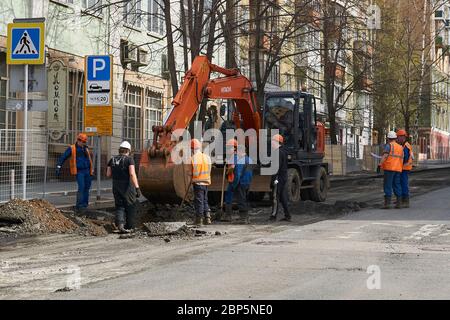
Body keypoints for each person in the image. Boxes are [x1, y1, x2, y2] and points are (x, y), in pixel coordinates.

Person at [107, 141, 141, 233]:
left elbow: (108, 174)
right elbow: (132, 174)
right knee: (130, 206)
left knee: (119, 206)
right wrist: (137, 188)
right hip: (127, 188)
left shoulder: (112, 159)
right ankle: (130, 227)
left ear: (120, 150)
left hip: (116, 186)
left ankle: (121, 226)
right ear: (128, 150)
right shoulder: (129, 160)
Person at [56, 133, 94, 213]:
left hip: (87, 171)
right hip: (79, 171)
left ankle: (84, 205)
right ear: (78, 140)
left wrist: (91, 170)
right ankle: (79, 206)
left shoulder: (85, 148)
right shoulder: (72, 148)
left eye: (84, 142)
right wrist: (59, 166)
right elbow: (63, 157)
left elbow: (89, 160)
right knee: (81, 187)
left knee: (87, 188)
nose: (83, 143)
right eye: (82, 141)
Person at [269, 134, 291, 222]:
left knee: (275, 196)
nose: (271, 143)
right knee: (282, 197)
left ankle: (273, 216)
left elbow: (276, 167)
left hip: (278, 178)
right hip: (283, 176)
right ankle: (287, 215)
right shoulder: (284, 151)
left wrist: (273, 180)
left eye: (272, 142)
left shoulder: (277, 153)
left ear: (277, 142)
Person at [190, 139, 212, 226]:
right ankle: (207, 217)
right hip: (206, 182)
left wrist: (191, 178)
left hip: (198, 183)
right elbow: (209, 170)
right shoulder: (207, 157)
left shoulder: (193, 159)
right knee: (205, 200)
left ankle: (199, 220)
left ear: (192, 149)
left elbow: (193, 173)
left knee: (199, 201)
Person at [379, 131, 404, 209]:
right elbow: (402, 158)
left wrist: (380, 164)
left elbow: (385, 156)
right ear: (395, 138)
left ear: (388, 138)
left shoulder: (389, 146)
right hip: (398, 169)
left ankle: (387, 204)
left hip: (389, 168)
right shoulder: (400, 147)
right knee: (397, 184)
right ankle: (399, 203)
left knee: (388, 185)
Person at [396, 129, 414, 208]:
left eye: (398, 137)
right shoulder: (405, 145)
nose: (397, 139)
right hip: (404, 167)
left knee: (403, 184)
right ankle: (404, 200)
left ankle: (405, 201)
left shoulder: (405, 146)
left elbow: (405, 158)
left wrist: (398, 163)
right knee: (403, 183)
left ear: (402, 137)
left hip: (404, 168)